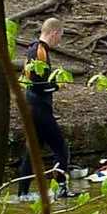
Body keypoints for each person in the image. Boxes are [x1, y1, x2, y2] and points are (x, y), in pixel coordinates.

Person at [17, 19, 70, 198]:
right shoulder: (38, 51)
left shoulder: (36, 49)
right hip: (38, 107)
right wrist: (57, 86)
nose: (60, 41)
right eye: (60, 36)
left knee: (32, 151)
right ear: (54, 33)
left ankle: (22, 193)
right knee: (60, 147)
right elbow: (38, 84)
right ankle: (60, 189)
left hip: (32, 105)